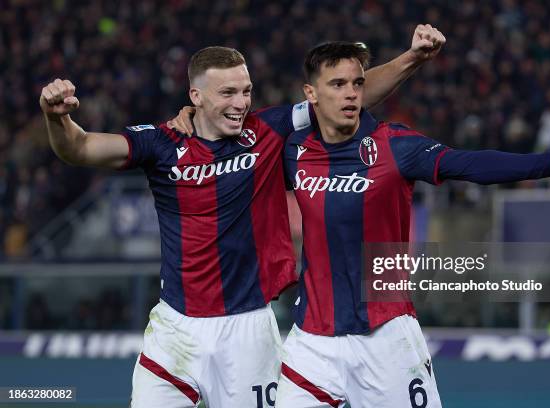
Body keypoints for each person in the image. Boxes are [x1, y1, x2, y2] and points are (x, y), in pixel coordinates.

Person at [39, 25, 446, 408]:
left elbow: (343, 97)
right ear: (195, 97)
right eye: (228, 92)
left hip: (248, 332)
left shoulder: (265, 131)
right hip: (175, 329)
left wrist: (411, 58)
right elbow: (81, 148)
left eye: (246, 91)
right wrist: (57, 118)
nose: (240, 103)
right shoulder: (161, 143)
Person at [276, 41, 550, 408]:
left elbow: (468, 164)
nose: (351, 93)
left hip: (385, 336)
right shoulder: (293, 152)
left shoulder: (396, 145)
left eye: (357, 83)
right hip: (312, 340)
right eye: (337, 85)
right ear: (311, 94)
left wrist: (547, 163)